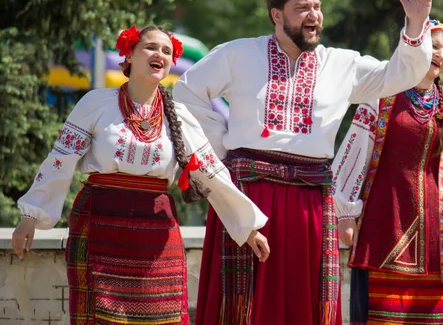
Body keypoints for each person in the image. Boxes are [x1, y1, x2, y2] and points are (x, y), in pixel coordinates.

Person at [173, 0, 433, 325]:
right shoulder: (237, 54)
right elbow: (186, 94)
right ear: (277, 15)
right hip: (247, 194)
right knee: (240, 306)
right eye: (302, 8)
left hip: (310, 199)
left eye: (317, 7)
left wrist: (415, 26)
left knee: (305, 305)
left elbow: (400, 75)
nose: (314, 16)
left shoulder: (342, 65)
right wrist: (222, 153)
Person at [12, 25, 270, 325]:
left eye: (166, 51)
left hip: (157, 232)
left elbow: (212, 172)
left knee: (164, 317)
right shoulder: (95, 104)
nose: (159, 54)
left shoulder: (180, 116)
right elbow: (60, 160)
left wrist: (248, 226)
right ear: (130, 54)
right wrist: (30, 215)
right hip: (99, 226)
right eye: (150, 47)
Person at [332, 19, 443, 325]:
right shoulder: (380, 93)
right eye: (434, 45)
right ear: (417, 46)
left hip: (438, 234)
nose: (439, 54)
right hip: (384, 225)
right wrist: (343, 212)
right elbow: (354, 152)